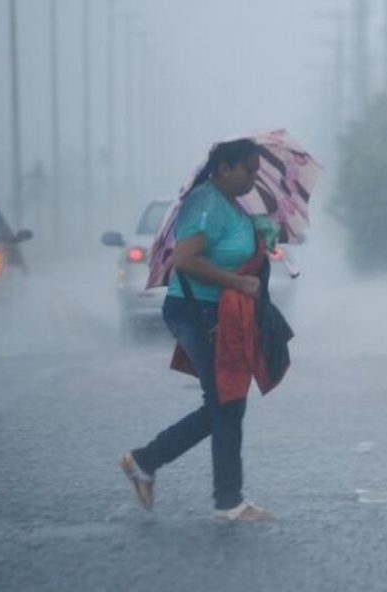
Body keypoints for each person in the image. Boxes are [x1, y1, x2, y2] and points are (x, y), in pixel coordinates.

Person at [120, 138, 276, 522]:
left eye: (258, 171)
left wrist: (262, 231)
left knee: (225, 402)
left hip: (220, 313)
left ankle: (145, 461)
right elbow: (186, 260)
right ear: (224, 167)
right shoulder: (205, 203)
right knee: (226, 401)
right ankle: (228, 501)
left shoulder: (230, 204)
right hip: (197, 313)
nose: (254, 178)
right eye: (248, 170)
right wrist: (238, 283)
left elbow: (232, 249)